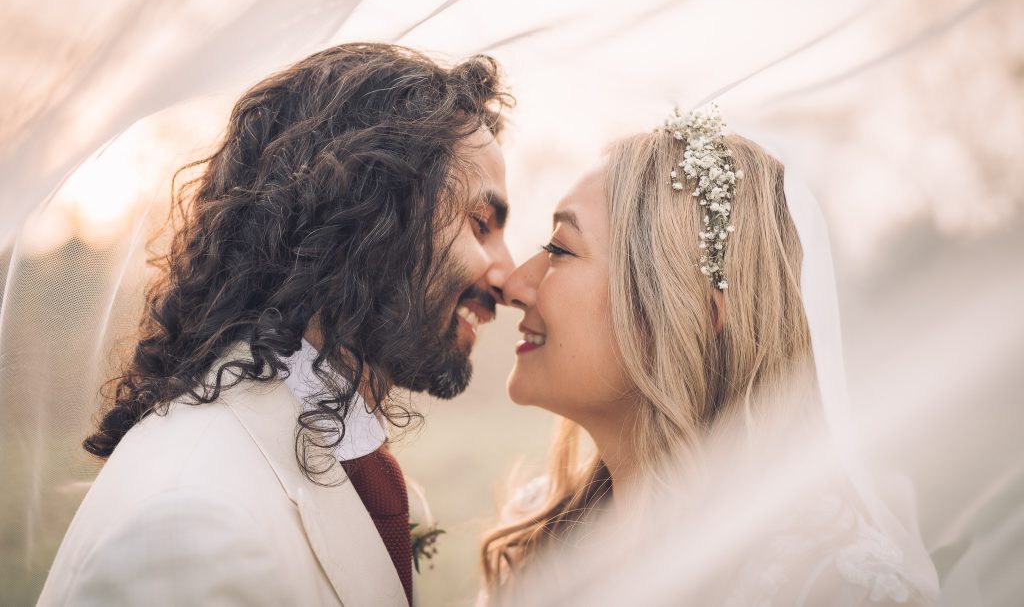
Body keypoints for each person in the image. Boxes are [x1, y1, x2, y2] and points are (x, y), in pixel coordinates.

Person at [38, 43, 515, 607]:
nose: (508, 277)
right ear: (369, 210)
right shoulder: (194, 528)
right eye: (481, 222)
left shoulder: (327, 451)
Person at [481, 106, 939, 605]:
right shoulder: (538, 537)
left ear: (691, 312)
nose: (513, 285)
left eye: (561, 249)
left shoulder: (825, 582)